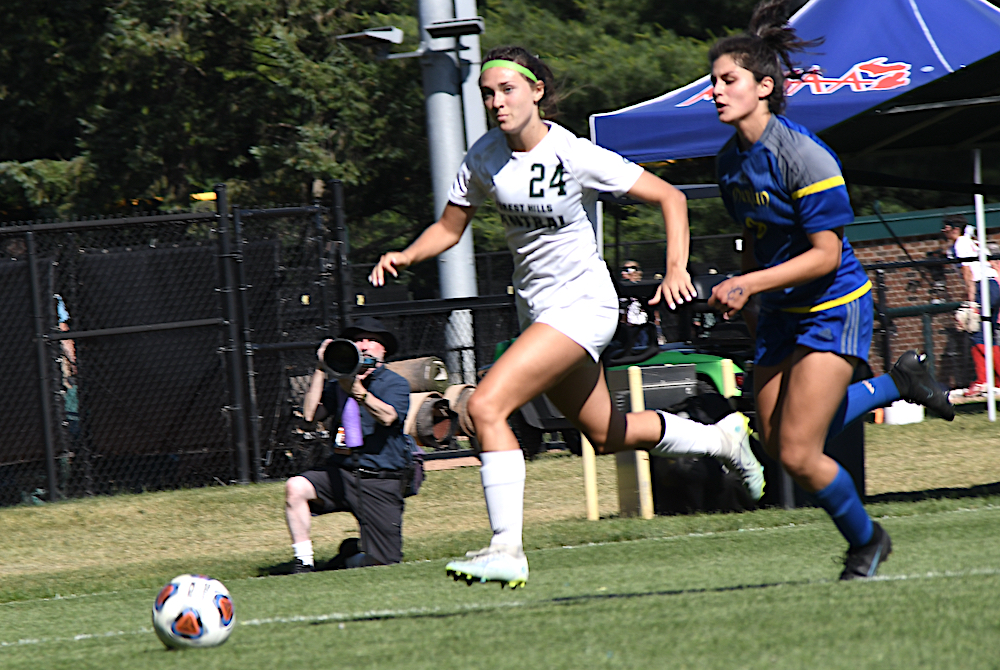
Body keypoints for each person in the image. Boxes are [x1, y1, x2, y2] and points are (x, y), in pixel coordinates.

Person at [370, 45, 765, 589]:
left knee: (486, 405)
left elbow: (670, 198)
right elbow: (450, 228)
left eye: (507, 89)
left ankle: (506, 548)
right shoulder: (483, 156)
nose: (496, 102)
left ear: (537, 92)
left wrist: (676, 269)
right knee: (606, 432)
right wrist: (406, 254)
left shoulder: (574, 153)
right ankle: (722, 440)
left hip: (584, 305)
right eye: (488, 93)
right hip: (539, 311)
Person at [706, 0, 952, 581]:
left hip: (831, 305)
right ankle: (899, 382)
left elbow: (823, 256)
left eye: (728, 80)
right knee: (777, 439)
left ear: (765, 86)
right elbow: (756, 240)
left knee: (797, 451)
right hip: (779, 311)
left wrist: (746, 285)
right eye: (713, 82)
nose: (716, 91)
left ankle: (866, 542)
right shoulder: (728, 163)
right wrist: (751, 302)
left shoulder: (805, 156)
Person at [284, 317, 412, 572]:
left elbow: (388, 417)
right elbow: (310, 416)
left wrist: (358, 391)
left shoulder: (395, 383)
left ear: (384, 350)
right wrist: (321, 369)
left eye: (372, 340)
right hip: (341, 474)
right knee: (295, 487)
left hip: (379, 478)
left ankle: (348, 558)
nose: (364, 345)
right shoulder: (337, 385)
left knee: (384, 562)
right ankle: (304, 561)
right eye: (358, 339)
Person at [942, 215, 1000, 396]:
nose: (943, 230)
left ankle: (983, 380)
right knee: (988, 335)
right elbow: (993, 265)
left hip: (982, 286)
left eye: (946, 227)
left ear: (954, 228)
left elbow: (967, 271)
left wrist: (972, 301)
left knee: (976, 333)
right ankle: (994, 381)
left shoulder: (960, 243)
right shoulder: (973, 241)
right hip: (994, 285)